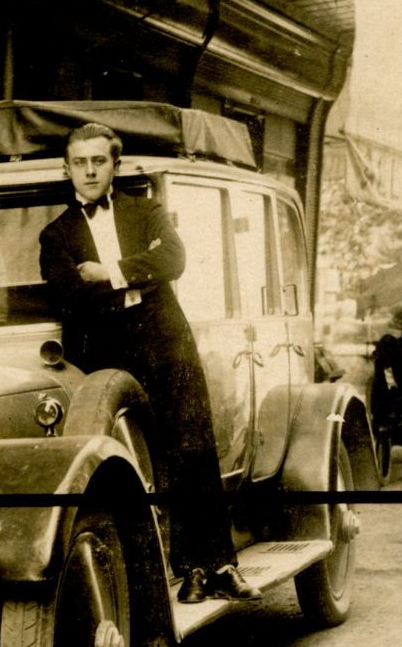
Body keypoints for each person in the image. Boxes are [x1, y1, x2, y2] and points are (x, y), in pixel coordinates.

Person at [39, 123, 260, 603]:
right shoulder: (56, 234)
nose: (91, 170)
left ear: (115, 166)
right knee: (135, 455)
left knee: (191, 444)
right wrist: (140, 269)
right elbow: (65, 292)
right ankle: (181, 570)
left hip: (163, 339)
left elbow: (175, 259)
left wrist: (108, 272)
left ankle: (216, 567)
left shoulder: (146, 211)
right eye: (81, 162)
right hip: (102, 350)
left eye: (100, 161)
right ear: (67, 169)